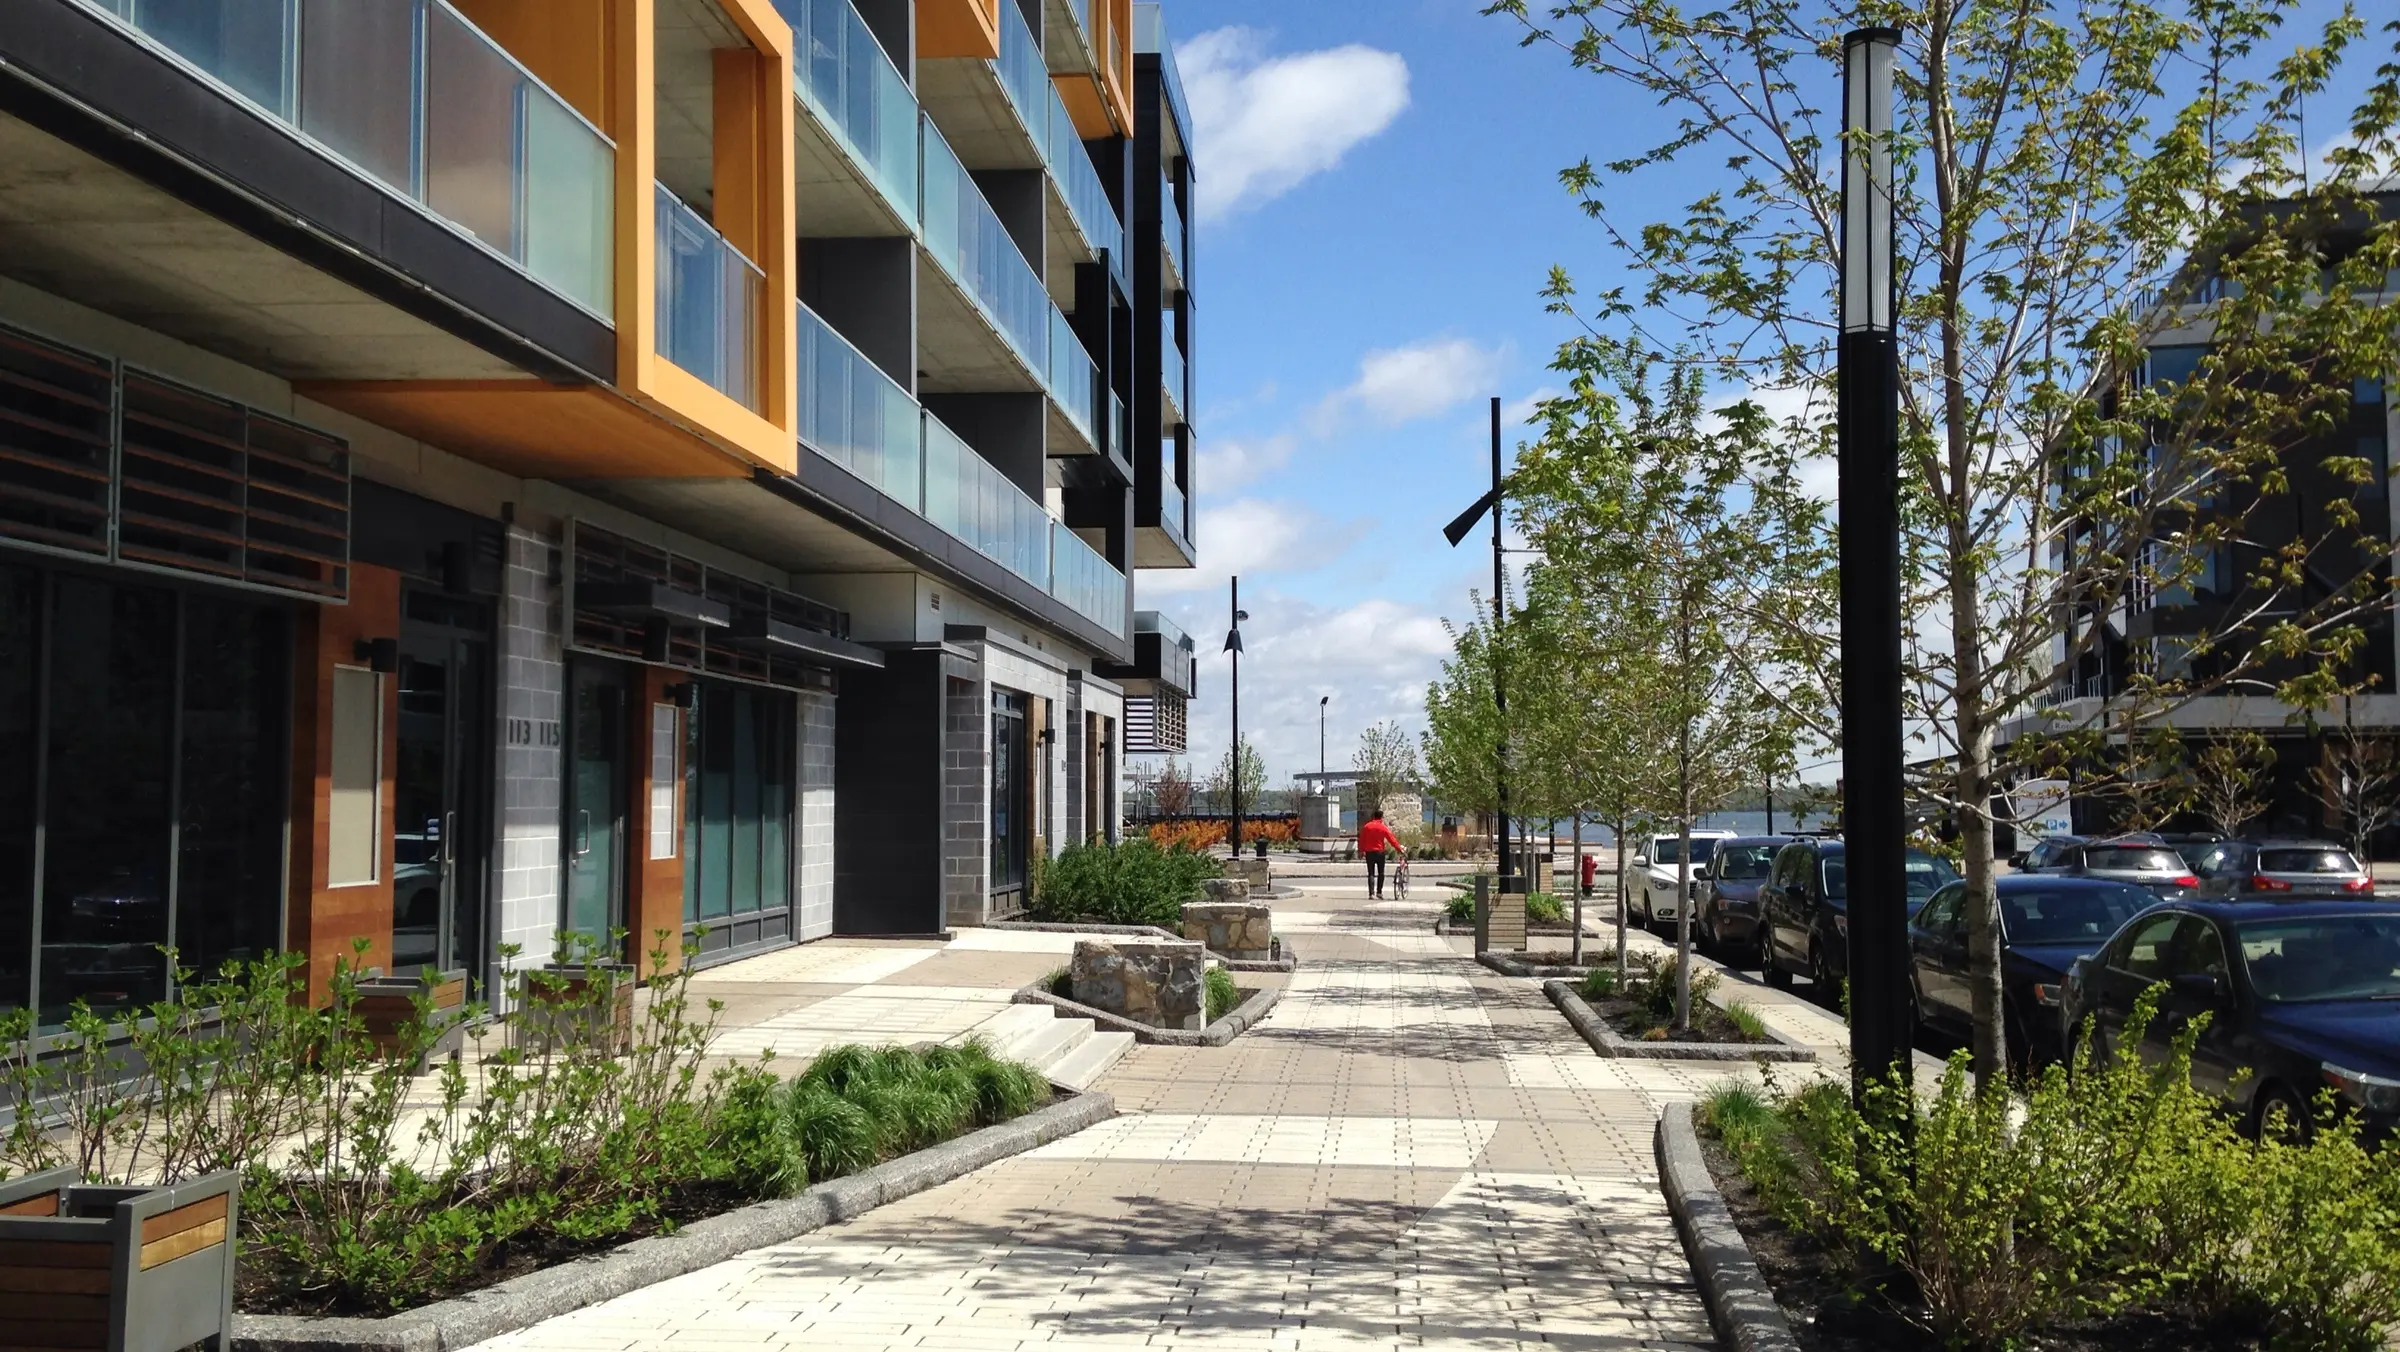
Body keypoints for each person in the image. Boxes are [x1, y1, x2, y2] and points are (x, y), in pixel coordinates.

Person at [1359, 809, 1405, 899]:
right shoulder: (1383, 827)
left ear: (1373, 817)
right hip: (1380, 852)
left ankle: (1371, 893)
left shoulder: (1366, 827)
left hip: (1369, 852)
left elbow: (1362, 840)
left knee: (1371, 873)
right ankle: (1379, 892)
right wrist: (1399, 849)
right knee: (1381, 873)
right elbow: (1391, 839)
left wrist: (1361, 851)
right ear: (1381, 817)